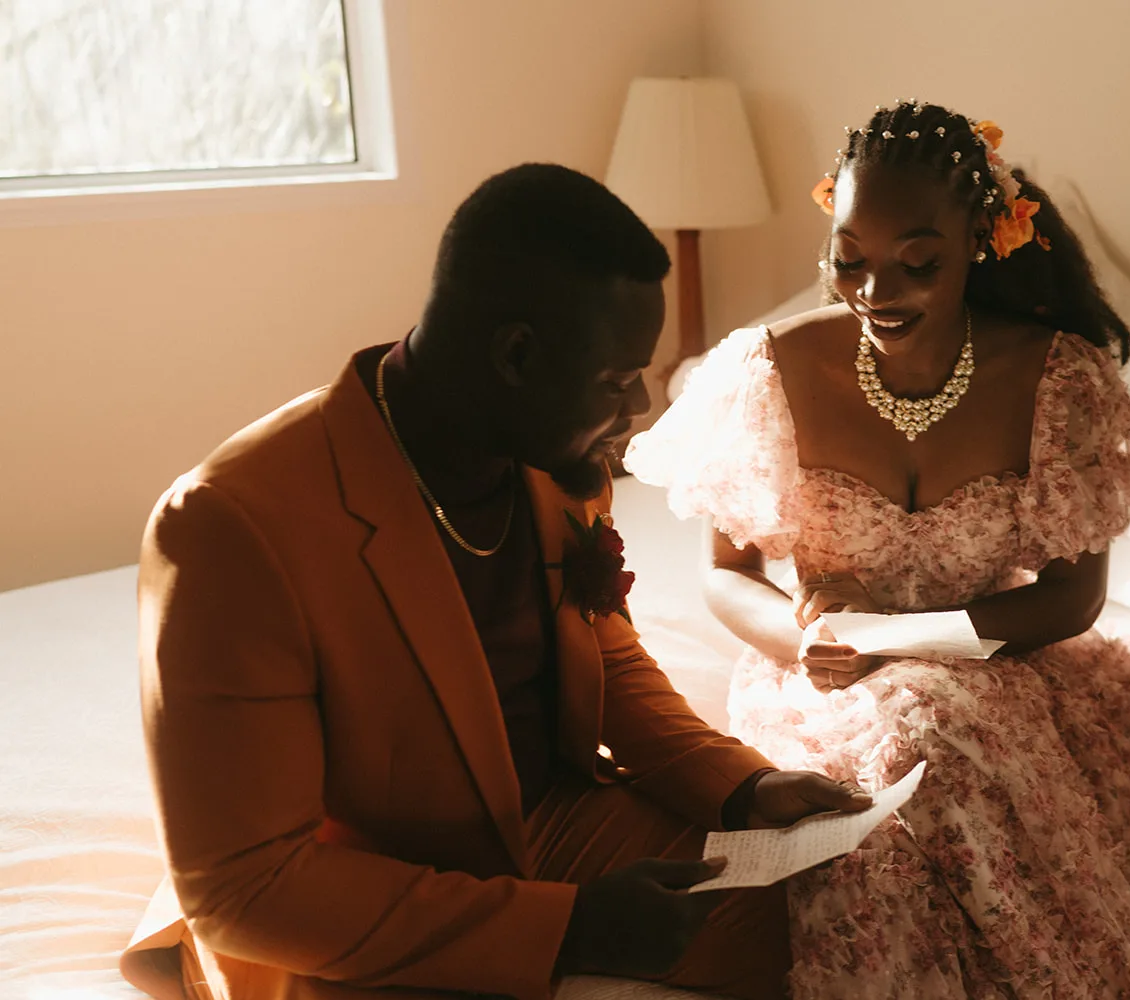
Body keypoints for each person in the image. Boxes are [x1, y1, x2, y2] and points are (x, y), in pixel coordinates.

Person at [120, 163, 873, 1000]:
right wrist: (568, 929)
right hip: (349, 895)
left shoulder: (549, 458)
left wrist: (743, 785)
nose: (634, 414)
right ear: (517, 355)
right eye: (616, 383)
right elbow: (246, 891)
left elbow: (608, 657)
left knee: (830, 924)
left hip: (544, 823)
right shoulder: (229, 527)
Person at [625, 103, 1130, 998]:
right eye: (850, 260)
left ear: (978, 246)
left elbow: (1070, 600)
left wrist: (904, 639)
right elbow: (727, 576)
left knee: (936, 730)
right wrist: (807, 643)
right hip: (823, 673)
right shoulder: (768, 374)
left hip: (1001, 661)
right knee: (890, 787)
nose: (877, 292)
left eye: (918, 263)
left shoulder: (1057, 379)